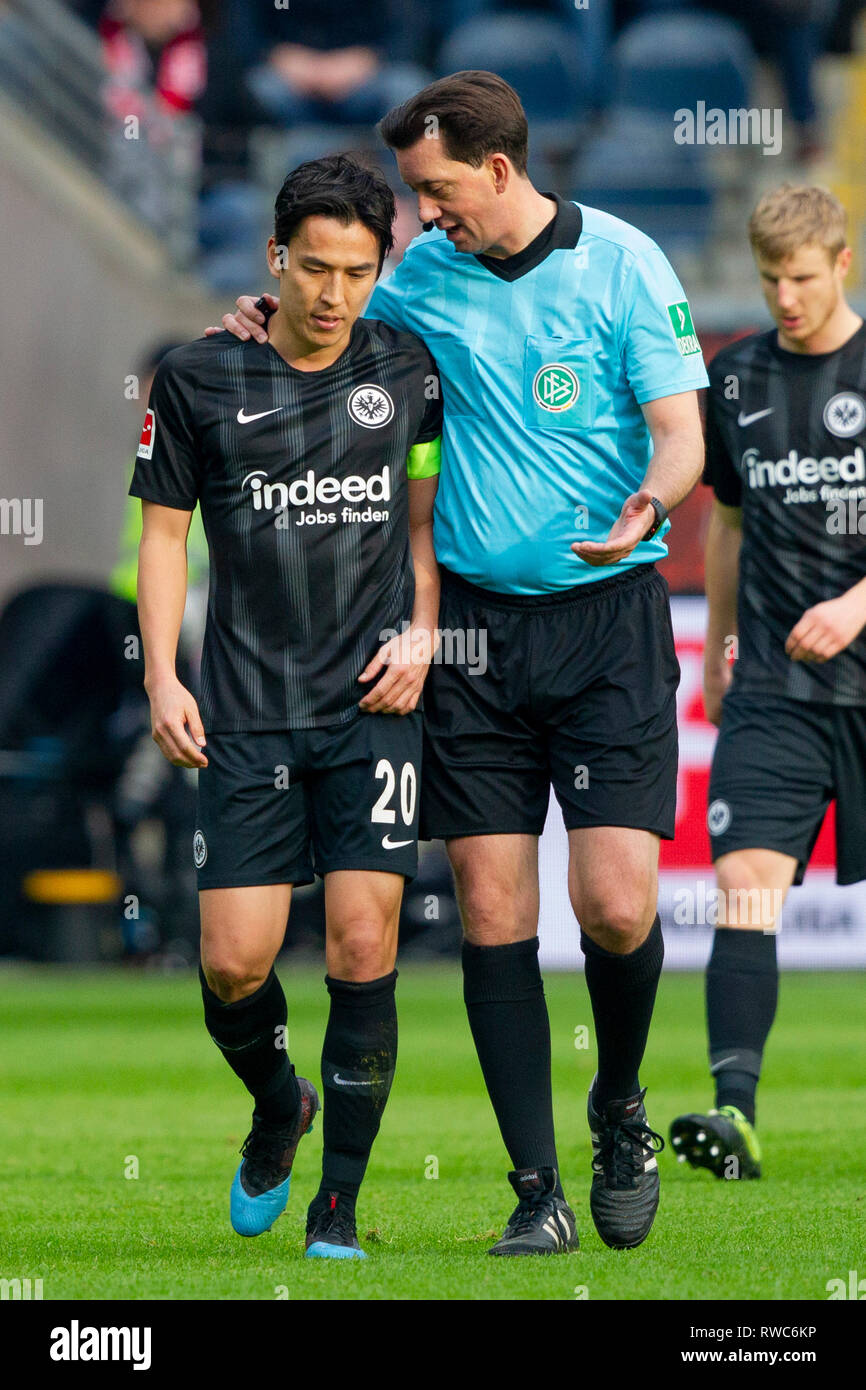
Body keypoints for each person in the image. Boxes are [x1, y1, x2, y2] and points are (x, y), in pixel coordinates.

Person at [214, 70, 708, 1256]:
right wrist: (258, 316)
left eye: (434, 189)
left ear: (495, 170)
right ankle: (535, 1191)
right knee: (492, 910)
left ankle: (619, 1105)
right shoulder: (420, 277)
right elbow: (326, 341)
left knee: (613, 904)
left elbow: (681, 434)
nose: (420, 214)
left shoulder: (627, 263)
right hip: (476, 639)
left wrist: (648, 503)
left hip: (607, 623)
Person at [131, 154, 442, 1258]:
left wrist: (423, 632)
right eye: (313, 267)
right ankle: (278, 1103)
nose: (332, 292)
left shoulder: (409, 370)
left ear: (379, 268)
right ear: (275, 258)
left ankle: (339, 1210)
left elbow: (419, 523)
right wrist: (164, 674)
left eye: (358, 270)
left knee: (365, 942)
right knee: (232, 962)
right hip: (248, 706)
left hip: (371, 704)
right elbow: (164, 537)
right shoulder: (197, 377)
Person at [671, 184, 866, 1178]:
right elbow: (729, 528)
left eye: (801, 276)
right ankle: (732, 1114)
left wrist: (856, 603)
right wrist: (711, 649)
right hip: (775, 693)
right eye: (768, 278)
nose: (785, 296)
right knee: (744, 885)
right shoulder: (735, 378)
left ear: (840, 264)